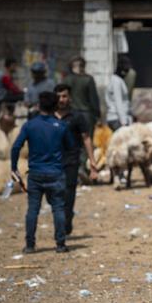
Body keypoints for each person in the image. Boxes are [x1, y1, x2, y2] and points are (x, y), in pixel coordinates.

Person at [10, 91, 74, 253]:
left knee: (33, 209)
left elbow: (16, 146)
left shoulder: (30, 125)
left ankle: (30, 245)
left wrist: (14, 167)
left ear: (39, 106)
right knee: (58, 208)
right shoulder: (61, 126)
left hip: (36, 174)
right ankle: (60, 244)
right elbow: (71, 147)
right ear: (55, 106)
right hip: (56, 173)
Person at [53, 84, 95, 236]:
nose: (61, 100)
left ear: (69, 98)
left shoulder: (77, 117)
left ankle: (66, 221)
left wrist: (92, 162)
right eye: (58, 96)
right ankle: (61, 221)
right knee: (55, 194)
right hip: (52, 162)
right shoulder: (48, 116)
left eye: (64, 96)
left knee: (68, 193)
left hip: (71, 161)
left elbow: (86, 138)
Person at [61, 57, 100, 128]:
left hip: (71, 114)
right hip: (86, 115)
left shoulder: (66, 79)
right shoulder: (88, 79)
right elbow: (94, 100)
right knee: (87, 138)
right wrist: (98, 116)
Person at [105, 59, 132, 131]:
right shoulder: (116, 81)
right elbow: (118, 102)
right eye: (126, 71)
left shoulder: (118, 80)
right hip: (117, 119)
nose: (126, 74)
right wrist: (123, 122)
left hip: (118, 118)